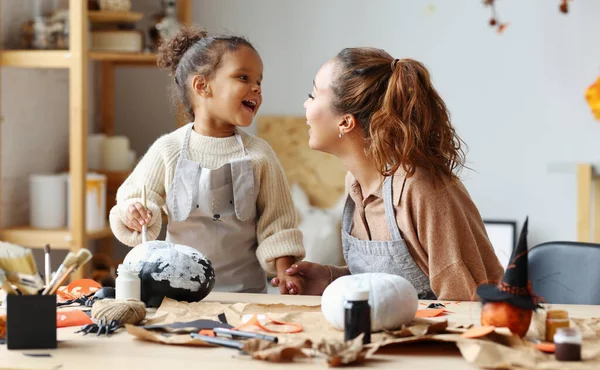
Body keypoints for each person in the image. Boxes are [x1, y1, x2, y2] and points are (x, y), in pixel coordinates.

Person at [272, 47, 503, 300]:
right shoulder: (356, 184)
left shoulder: (422, 189)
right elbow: (394, 283)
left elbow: (468, 301)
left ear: (345, 122)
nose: (305, 104)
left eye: (313, 95)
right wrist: (330, 278)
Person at [109, 27, 305, 295]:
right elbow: (136, 198)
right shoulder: (169, 149)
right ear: (202, 86)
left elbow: (278, 224)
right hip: (176, 295)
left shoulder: (260, 154)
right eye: (243, 77)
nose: (256, 88)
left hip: (243, 295)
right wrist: (136, 210)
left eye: (259, 81)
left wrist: (286, 274)